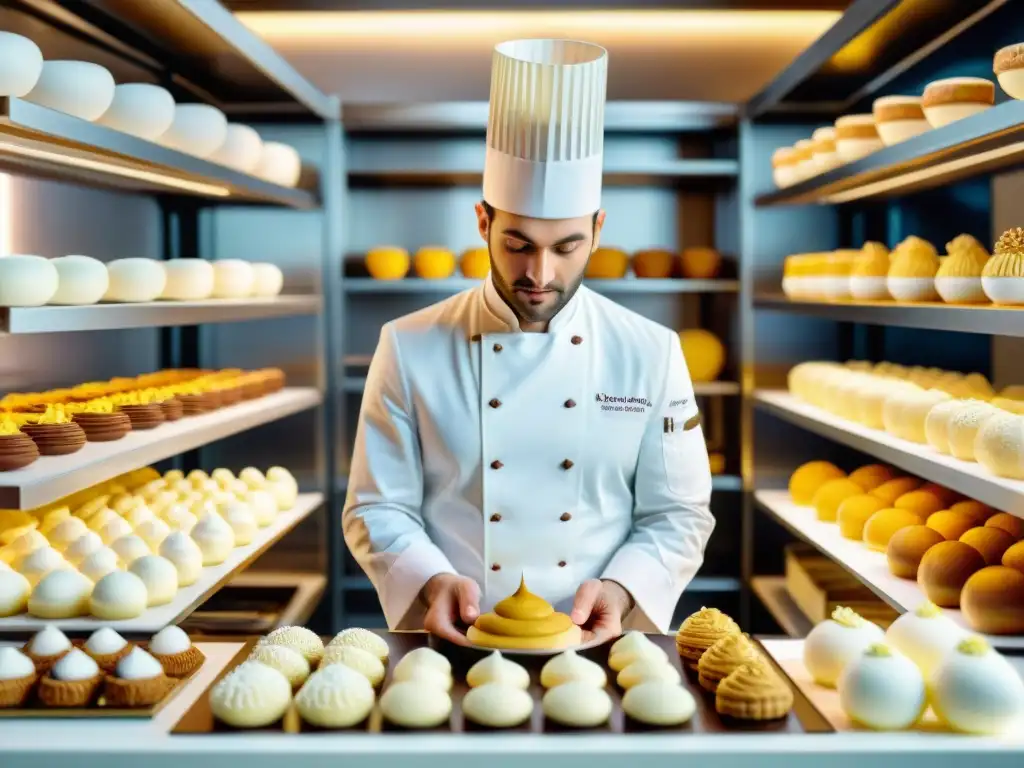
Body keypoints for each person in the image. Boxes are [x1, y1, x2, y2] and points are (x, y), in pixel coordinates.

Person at [343, 38, 714, 646]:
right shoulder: (408, 345)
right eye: (518, 244)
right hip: (458, 638)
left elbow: (678, 514)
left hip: (597, 642)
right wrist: (433, 582)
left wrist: (620, 591)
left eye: (567, 247)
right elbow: (375, 508)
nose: (539, 274)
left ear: (597, 230)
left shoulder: (651, 351)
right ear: (483, 222)